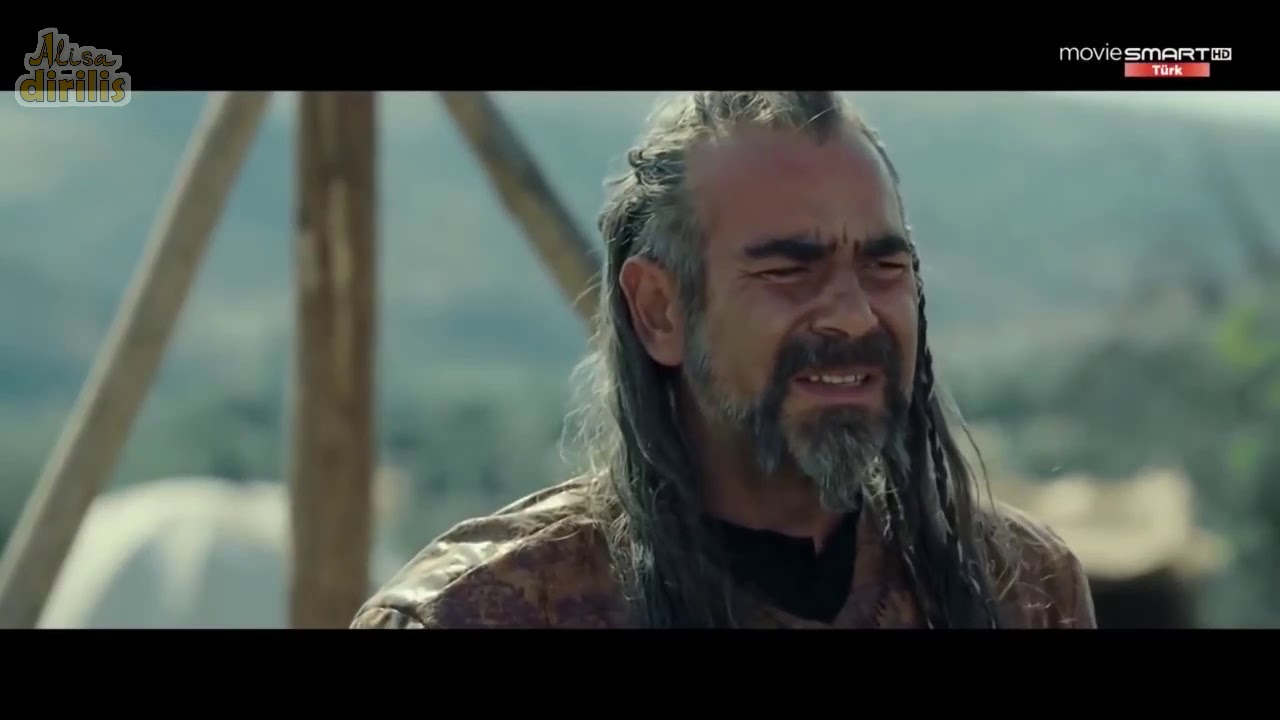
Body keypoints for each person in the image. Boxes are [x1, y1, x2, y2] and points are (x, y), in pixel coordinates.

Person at [351, 91, 1097, 629]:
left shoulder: (1020, 590)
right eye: (788, 270)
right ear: (660, 311)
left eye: (884, 268)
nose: (853, 315)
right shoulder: (483, 612)